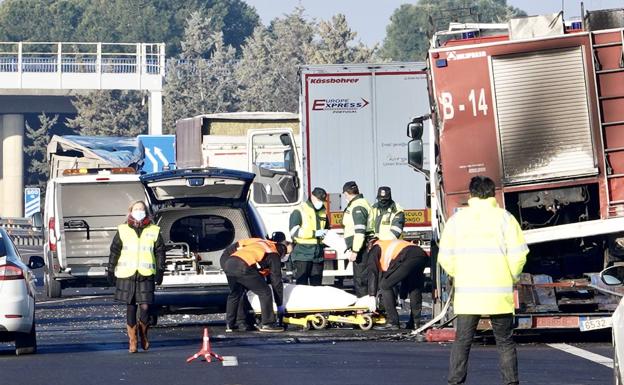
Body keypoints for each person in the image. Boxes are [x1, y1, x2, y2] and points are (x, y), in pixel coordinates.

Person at [438, 176, 528, 385]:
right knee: (505, 341)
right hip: (499, 294)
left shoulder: (457, 220)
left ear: (471, 195)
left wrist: (458, 273)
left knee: (463, 341)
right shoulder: (505, 218)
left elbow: (444, 257)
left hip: (468, 294)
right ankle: (511, 382)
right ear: (493, 194)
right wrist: (511, 276)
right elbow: (518, 255)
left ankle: (455, 381)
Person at [108, 200, 165, 354]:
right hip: (127, 273)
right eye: (136, 209)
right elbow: (115, 251)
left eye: (141, 209)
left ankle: (143, 334)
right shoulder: (122, 230)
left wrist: (160, 270)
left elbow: (160, 252)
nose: (139, 211)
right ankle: (132, 341)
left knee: (145, 307)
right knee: (131, 306)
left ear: (146, 212)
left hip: (145, 274)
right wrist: (110, 270)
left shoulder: (154, 230)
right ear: (130, 211)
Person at [221, 237, 289, 332]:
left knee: (235, 294)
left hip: (229, 263)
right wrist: (280, 304)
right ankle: (268, 323)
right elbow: (276, 280)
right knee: (265, 292)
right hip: (243, 266)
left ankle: (230, 324)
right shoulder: (274, 254)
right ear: (281, 252)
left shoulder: (261, 243)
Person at [367, 239, 428, 330]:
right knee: (414, 288)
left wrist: (372, 295)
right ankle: (415, 323)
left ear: (369, 246)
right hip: (421, 255)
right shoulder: (389, 244)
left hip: (407, 256)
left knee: (385, 285)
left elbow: (372, 271)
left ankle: (393, 322)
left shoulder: (375, 248)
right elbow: (404, 275)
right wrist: (403, 294)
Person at [289, 187, 329, 286]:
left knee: (317, 286)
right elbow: (294, 231)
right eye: (319, 200)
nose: (321, 202)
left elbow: (326, 229)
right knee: (302, 286)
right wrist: (314, 233)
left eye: (322, 200)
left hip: (317, 255)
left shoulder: (323, 212)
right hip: (303, 254)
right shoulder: (300, 210)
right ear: (312, 196)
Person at [341, 181, 374, 297]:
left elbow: (360, 231)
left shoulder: (357, 206)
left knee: (361, 279)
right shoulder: (360, 203)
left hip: (361, 247)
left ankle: (364, 306)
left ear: (346, 193)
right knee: (363, 277)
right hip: (362, 245)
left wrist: (355, 250)